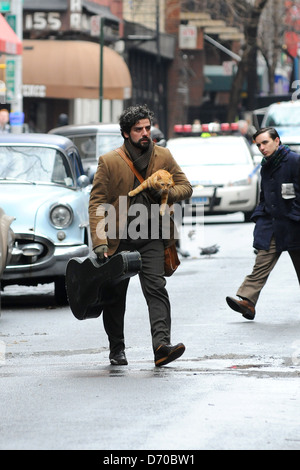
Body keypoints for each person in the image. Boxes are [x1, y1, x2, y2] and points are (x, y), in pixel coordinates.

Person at [89, 104, 192, 366]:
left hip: (153, 235)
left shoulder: (164, 156)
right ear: (126, 133)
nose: (145, 133)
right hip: (119, 239)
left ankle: (161, 347)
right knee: (115, 294)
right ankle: (117, 348)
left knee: (156, 289)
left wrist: (167, 193)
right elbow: (97, 203)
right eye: (138, 129)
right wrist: (100, 242)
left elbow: (186, 187)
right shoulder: (109, 162)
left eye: (147, 128)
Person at [226, 127, 300, 320]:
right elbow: (264, 196)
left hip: (294, 226)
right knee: (262, 262)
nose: (261, 148)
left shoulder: (294, 161)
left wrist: (295, 215)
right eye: (258, 144)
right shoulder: (266, 164)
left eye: (265, 142)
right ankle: (248, 302)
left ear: (277, 141)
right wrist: (260, 217)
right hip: (272, 224)